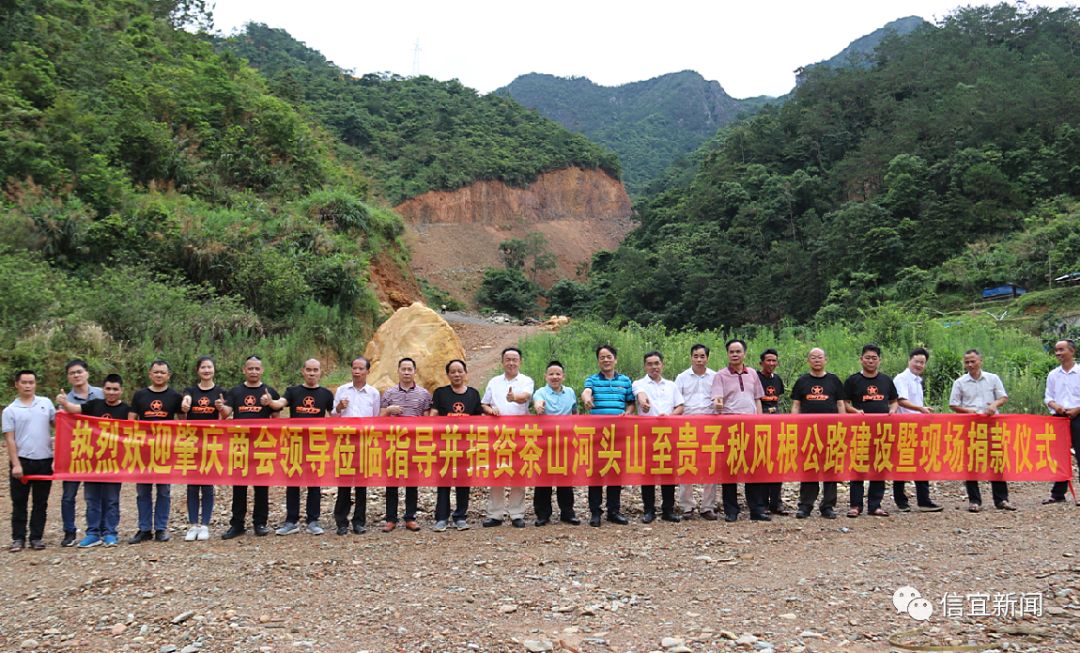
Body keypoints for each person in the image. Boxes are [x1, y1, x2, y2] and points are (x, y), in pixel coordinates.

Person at [56, 374, 130, 548]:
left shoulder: (127, 410)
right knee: (92, 499)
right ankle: (93, 533)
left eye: (115, 389)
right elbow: (74, 410)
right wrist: (64, 403)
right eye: (108, 389)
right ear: (102, 389)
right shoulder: (94, 405)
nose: (111, 392)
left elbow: (136, 432)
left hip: (114, 462)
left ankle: (110, 533)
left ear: (121, 391)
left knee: (112, 499)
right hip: (92, 461)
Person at [222, 356, 282, 539]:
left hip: (262, 445)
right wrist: (220, 407)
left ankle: (260, 523)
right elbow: (226, 414)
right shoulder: (235, 391)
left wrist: (270, 403)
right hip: (240, 444)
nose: (254, 372)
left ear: (262, 370)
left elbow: (277, 420)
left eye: (257, 368)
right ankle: (237, 524)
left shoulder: (270, 391)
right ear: (244, 370)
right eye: (250, 369)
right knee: (239, 486)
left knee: (261, 486)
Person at [949, 349, 1013, 512]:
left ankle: (1001, 499)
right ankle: (974, 501)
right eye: (967, 362)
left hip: (992, 425)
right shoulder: (960, 382)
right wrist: (968, 412)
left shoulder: (992, 378)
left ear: (980, 361)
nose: (970, 365)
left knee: (996, 460)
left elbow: (1003, 397)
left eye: (973, 361)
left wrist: (994, 405)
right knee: (971, 462)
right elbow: (954, 404)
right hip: (970, 426)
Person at [711, 339, 768, 522]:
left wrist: (759, 422)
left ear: (744, 353)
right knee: (730, 469)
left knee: (754, 468)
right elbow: (717, 400)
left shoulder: (752, 373)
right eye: (731, 352)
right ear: (727, 354)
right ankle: (731, 510)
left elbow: (758, 399)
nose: (735, 355)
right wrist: (718, 404)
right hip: (730, 428)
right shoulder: (720, 375)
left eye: (738, 351)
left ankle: (757, 509)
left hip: (752, 427)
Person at [128, 360, 183, 543]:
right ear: (150, 374)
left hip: (165, 450)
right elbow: (131, 421)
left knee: (164, 491)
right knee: (143, 491)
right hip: (143, 450)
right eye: (156, 372)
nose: (159, 375)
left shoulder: (175, 396)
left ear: (168, 375)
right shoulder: (140, 395)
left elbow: (182, 422)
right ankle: (144, 529)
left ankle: (161, 528)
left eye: (163, 372)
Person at [278, 359, 334, 536]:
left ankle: (313, 520)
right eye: (308, 370)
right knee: (292, 483)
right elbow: (280, 403)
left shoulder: (326, 394)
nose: (311, 373)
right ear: (303, 371)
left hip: (316, 444)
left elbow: (335, 416)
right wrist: (269, 402)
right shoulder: (293, 391)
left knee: (314, 484)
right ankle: (291, 521)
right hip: (295, 443)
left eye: (315, 370)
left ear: (320, 372)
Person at [581, 344, 635, 527]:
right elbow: (586, 392)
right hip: (597, 434)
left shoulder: (625, 381)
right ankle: (595, 512)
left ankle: (614, 511)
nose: (606, 360)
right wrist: (587, 399)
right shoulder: (593, 380)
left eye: (609, 356)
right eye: (602, 357)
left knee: (615, 472)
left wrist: (628, 413)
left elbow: (630, 403)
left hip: (618, 434)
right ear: (598, 361)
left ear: (615, 359)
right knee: (595, 473)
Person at [481, 347, 534, 529]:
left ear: (520, 362)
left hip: (519, 432)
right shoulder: (494, 381)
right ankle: (495, 514)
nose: (511, 362)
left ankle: (516, 513)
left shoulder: (526, 380)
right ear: (502, 361)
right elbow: (484, 403)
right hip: (497, 433)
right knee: (497, 472)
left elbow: (525, 397)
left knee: (519, 472)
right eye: (508, 359)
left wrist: (514, 397)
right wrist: (490, 410)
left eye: (515, 359)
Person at [791, 348, 846, 519]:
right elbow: (796, 405)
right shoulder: (802, 381)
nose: (816, 360)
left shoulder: (834, 380)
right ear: (808, 361)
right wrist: (794, 425)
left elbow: (840, 404)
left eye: (820, 357)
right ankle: (805, 505)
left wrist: (843, 426)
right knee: (809, 468)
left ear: (826, 360)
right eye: (813, 357)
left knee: (830, 469)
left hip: (831, 432)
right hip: (808, 433)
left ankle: (828, 506)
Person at [429, 359, 483, 532]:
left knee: (463, 481)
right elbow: (434, 414)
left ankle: (460, 516)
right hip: (444, 444)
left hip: (466, 446)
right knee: (443, 481)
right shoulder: (440, 393)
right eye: (453, 372)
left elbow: (479, 417)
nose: (457, 374)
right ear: (448, 375)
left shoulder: (473, 394)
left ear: (465, 373)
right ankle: (442, 517)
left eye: (460, 371)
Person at [844, 344, 898, 518]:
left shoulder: (886, 380)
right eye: (867, 358)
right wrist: (854, 411)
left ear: (879, 361)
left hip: (882, 431)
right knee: (858, 467)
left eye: (874, 358)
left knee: (879, 467)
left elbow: (894, 401)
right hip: (860, 431)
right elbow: (844, 403)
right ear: (861, 359)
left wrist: (893, 410)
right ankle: (855, 505)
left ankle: (875, 505)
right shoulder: (853, 380)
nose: (870, 361)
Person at [180, 356, 230, 542]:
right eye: (203, 367)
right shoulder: (191, 391)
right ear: (198, 370)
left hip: (212, 442)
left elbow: (226, 415)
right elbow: (185, 403)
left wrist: (221, 407)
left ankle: (205, 525)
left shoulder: (221, 392)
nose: (206, 370)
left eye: (209, 367)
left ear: (214, 369)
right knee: (192, 484)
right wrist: (185, 403)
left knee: (208, 484)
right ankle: (193, 524)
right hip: (192, 442)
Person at [4, 370, 55, 552]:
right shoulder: (10, 410)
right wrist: (16, 464)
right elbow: (9, 439)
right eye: (24, 382)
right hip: (22, 461)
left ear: (35, 384)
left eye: (31, 382)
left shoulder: (46, 404)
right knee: (19, 502)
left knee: (41, 503)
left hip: (44, 460)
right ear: (16, 384)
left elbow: (58, 425)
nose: (28, 386)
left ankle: (36, 538)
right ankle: (18, 538)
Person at [380, 357, 432, 532]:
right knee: (392, 482)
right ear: (398, 371)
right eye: (404, 369)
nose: (407, 372)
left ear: (415, 371)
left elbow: (427, 420)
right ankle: (390, 519)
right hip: (393, 444)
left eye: (410, 369)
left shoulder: (424, 394)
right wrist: (388, 411)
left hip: (414, 445)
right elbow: (379, 420)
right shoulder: (388, 393)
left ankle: (410, 517)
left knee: (412, 481)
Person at [331, 356, 380, 535]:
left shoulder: (373, 393)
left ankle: (359, 521)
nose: (357, 372)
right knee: (343, 483)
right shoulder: (342, 390)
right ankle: (341, 522)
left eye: (361, 369)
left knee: (361, 484)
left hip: (364, 442)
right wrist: (339, 408)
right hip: (345, 442)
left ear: (368, 371)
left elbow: (375, 418)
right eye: (354, 368)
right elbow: (333, 417)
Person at [633, 351, 684, 523]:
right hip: (646, 435)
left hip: (668, 434)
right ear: (645, 366)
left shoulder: (671, 385)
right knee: (647, 473)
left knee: (668, 473)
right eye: (650, 364)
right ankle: (649, 510)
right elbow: (640, 395)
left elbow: (680, 406)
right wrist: (644, 403)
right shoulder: (638, 383)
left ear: (662, 364)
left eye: (657, 363)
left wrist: (670, 416)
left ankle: (668, 510)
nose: (654, 367)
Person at [58, 359, 103, 547]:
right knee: (68, 495)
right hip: (74, 453)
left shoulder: (101, 394)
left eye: (79, 371)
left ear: (87, 373)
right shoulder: (64, 400)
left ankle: (95, 530)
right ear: (68, 377)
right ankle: (69, 531)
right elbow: (61, 427)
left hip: (98, 452)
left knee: (94, 494)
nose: (76, 375)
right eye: (72, 373)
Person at [892, 347, 943, 512]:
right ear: (909, 361)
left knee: (921, 463)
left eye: (922, 362)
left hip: (918, 427)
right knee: (902, 465)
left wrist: (922, 410)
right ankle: (901, 502)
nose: (919, 365)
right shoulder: (901, 378)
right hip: (904, 427)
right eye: (917, 361)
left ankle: (924, 500)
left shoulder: (917, 380)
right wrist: (920, 409)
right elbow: (901, 400)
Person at [532, 360, 580, 526]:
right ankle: (542, 514)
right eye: (551, 374)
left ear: (563, 376)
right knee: (543, 479)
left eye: (558, 374)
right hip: (545, 443)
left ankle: (567, 513)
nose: (555, 377)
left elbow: (575, 412)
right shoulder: (540, 392)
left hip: (566, 442)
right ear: (545, 376)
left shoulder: (570, 392)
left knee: (565, 479)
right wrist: (539, 407)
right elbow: (537, 403)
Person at [676, 344, 719, 520]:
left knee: (711, 466)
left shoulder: (715, 376)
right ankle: (687, 506)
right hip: (687, 426)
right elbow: (677, 401)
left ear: (707, 358)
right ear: (691, 357)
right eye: (696, 356)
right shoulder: (682, 377)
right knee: (686, 465)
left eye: (702, 356)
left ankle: (707, 506)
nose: (699, 359)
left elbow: (719, 398)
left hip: (710, 425)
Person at [1044, 339, 1080, 506]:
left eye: (1061, 350)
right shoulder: (1053, 374)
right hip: (1058, 419)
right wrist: (1055, 406)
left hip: (1077, 416)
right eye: (1056, 350)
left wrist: (1076, 409)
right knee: (1059, 456)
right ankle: (1058, 493)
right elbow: (1048, 397)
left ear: (1072, 351)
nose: (1058, 353)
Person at [757, 348, 789, 515]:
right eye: (768, 361)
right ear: (761, 362)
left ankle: (776, 502)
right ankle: (761, 503)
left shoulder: (777, 380)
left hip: (777, 428)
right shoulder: (755, 378)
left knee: (777, 464)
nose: (771, 364)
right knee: (762, 464)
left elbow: (779, 401)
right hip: (760, 427)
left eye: (774, 361)